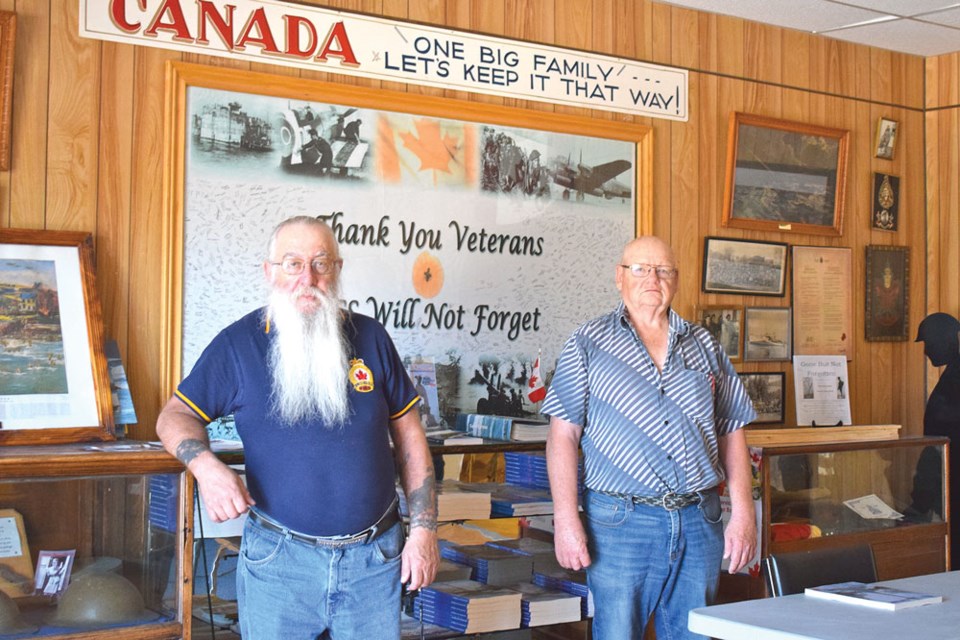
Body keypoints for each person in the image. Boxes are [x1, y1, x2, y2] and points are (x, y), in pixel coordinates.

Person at [156, 216, 438, 639]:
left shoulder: (371, 337)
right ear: (269, 271)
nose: (307, 277)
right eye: (292, 263)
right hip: (279, 564)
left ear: (337, 271)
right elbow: (174, 416)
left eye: (321, 263)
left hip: (374, 561)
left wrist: (424, 531)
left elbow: (411, 438)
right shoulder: (238, 344)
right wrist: (208, 470)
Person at [542, 236, 757, 640]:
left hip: (699, 519)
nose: (652, 279)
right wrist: (566, 518)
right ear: (619, 278)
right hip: (621, 524)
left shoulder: (705, 346)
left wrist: (744, 515)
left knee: (696, 633)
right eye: (640, 268)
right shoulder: (587, 344)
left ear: (675, 280)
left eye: (663, 270)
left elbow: (732, 431)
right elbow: (562, 437)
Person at [914, 312, 960, 561]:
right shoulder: (953, 375)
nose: (927, 351)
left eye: (929, 343)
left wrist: (920, 500)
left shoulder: (954, 380)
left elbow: (938, 441)